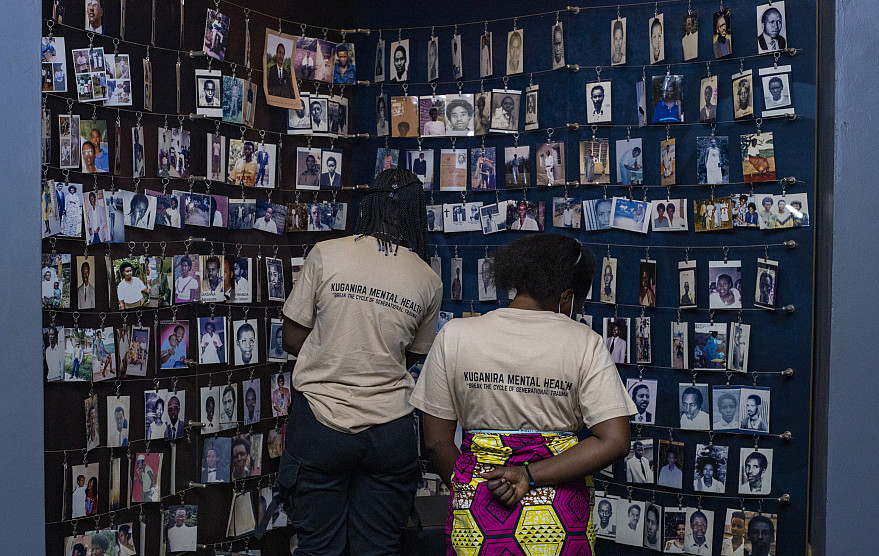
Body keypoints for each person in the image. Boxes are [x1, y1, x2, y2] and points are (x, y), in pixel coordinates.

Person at [413, 233, 634, 555]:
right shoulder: (584, 342)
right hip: (558, 512)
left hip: (479, 505)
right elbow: (614, 441)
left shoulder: (456, 335)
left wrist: (473, 487)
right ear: (567, 296)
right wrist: (528, 475)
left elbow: (435, 441)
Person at [277, 168, 442, 554]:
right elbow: (413, 356)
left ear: (367, 204)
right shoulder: (427, 278)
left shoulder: (326, 253)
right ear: (416, 214)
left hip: (320, 421)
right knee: (379, 548)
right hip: (390, 429)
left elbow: (291, 338)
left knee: (318, 547)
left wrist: (334, 351)